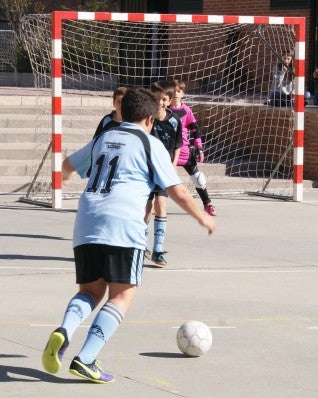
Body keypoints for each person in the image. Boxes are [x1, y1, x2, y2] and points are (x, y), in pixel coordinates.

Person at [41, 88, 215, 384]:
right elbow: (176, 189)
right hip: (123, 223)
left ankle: (65, 330)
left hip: (86, 221)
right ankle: (85, 358)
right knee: (122, 295)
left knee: (89, 292)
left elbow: (68, 165)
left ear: (121, 112)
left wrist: (64, 175)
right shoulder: (150, 143)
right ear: (149, 119)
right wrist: (202, 216)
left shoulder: (103, 138)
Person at [144, 80, 183, 267]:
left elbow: (177, 146)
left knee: (161, 204)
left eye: (164, 99)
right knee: (145, 208)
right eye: (157, 98)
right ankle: (140, 245)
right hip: (144, 169)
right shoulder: (145, 118)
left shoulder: (175, 121)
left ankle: (157, 250)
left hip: (163, 170)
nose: (160, 102)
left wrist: (173, 165)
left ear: (169, 101)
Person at [169, 78, 216, 217]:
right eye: (173, 91)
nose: (175, 94)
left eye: (178, 91)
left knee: (199, 178)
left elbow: (195, 129)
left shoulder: (186, 110)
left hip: (184, 150)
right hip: (168, 152)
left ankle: (207, 204)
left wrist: (199, 146)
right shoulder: (164, 110)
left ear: (183, 93)